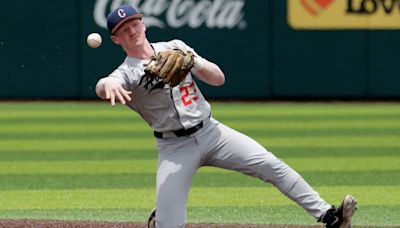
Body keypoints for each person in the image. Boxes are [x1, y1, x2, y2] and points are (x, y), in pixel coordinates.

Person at [95, 5, 357, 228]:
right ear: (116, 39)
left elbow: (218, 79)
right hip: (174, 148)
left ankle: (328, 215)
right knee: (171, 223)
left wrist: (192, 61)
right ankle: (162, 218)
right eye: (124, 30)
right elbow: (105, 85)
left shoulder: (175, 47)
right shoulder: (126, 73)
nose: (132, 31)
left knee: (271, 165)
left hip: (213, 133)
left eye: (134, 24)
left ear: (143, 23)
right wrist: (108, 84)